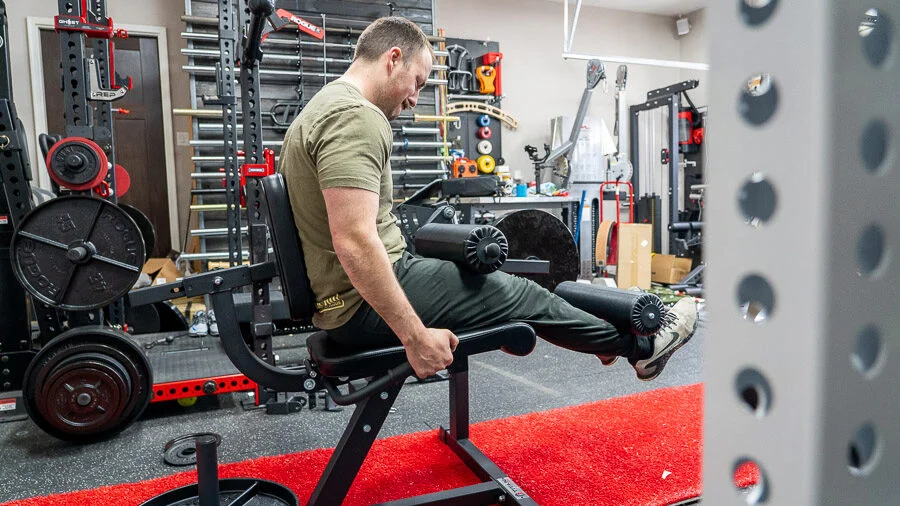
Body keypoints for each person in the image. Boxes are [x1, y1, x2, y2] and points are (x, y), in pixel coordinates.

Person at [277, 17, 698, 380]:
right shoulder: (357, 117)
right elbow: (354, 241)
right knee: (521, 293)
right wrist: (415, 336)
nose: (414, 98)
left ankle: (602, 339)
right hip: (361, 305)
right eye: (418, 82)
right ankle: (643, 349)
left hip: (351, 296)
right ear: (392, 60)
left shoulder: (318, 109)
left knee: (510, 283)